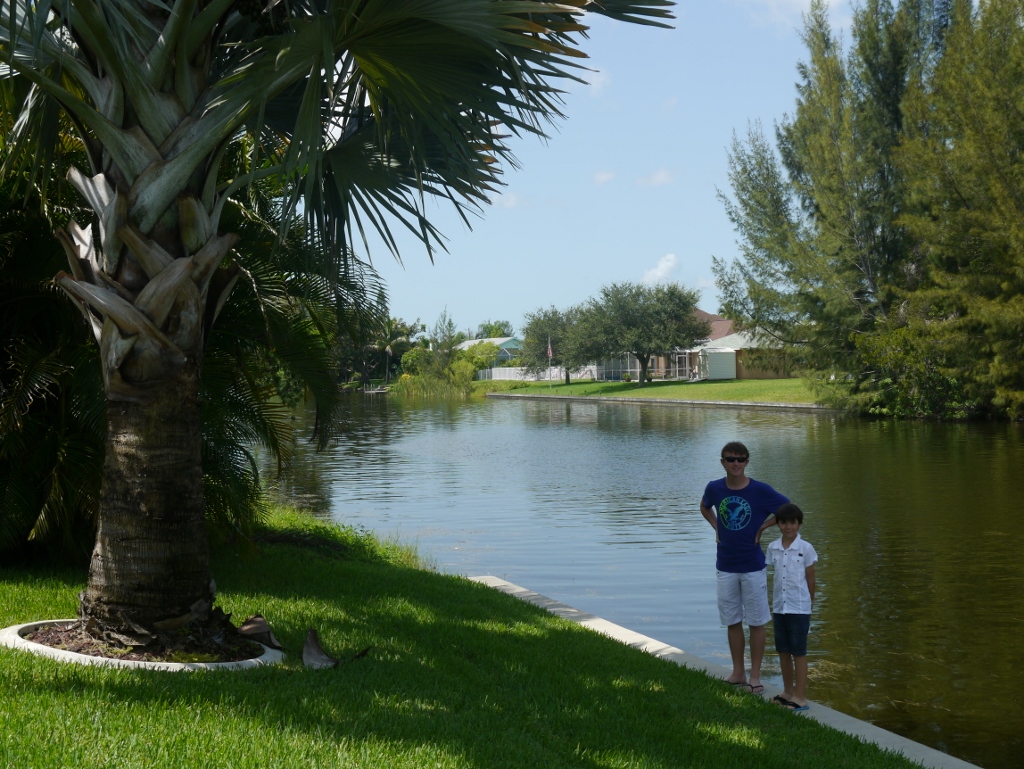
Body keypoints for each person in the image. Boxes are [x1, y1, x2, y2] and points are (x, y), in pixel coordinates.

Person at [700, 441, 789, 694]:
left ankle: (755, 676)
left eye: (740, 459)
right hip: (725, 565)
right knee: (732, 620)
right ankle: (738, 672)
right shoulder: (714, 488)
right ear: (722, 462)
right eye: (730, 459)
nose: (735, 463)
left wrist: (763, 527)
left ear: (747, 462)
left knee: (757, 621)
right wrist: (717, 526)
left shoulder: (760, 490)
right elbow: (704, 507)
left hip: (752, 566)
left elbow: (789, 509)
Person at [766, 502, 817, 712]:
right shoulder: (773, 548)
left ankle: (800, 697)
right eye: (784, 523)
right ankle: (787, 692)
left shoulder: (805, 548)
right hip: (780, 607)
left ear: (799, 524)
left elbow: (811, 579)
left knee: (799, 652)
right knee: (783, 651)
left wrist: (809, 605)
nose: (788, 527)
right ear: (778, 524)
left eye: (793, 523)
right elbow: (769, 575)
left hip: (800, 608)